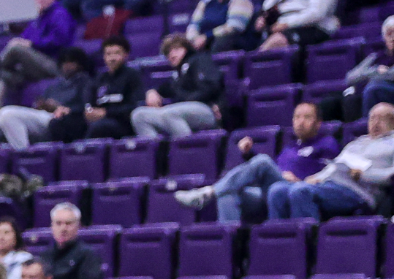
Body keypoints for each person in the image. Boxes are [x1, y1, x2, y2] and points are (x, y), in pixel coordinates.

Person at [175, 102, 341, 222]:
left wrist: (301, 181)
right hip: (271, 191)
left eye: (307, 117)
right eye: (297, 117)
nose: (300, 121)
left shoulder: (327, 144)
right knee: (226, 193)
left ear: (318, 123)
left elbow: (331, 177)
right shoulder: (289, 147)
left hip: (296, 190)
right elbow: (273, 171)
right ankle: (231, 248)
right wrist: (249, 154)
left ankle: (207, 193)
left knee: (262, 161)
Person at [268, 101, 394, 220]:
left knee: (301, 191)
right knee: (277, 190)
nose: (376, 122)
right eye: (372, 118)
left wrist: (363, 175)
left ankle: (304, 240)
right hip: (331, 185)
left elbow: (391, 175)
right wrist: (316, 177)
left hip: (359, 192)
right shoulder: (356, 143)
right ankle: (278, 240)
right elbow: (335, 165)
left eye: (382, 118)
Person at [0, 46, 94, 149]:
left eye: (71, 62)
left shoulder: (85, 83)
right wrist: (43, 105)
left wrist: (66, 109)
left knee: (8, 113)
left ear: (80, 64)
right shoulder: (56, 84)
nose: (67, 65)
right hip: (43, 116)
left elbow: (87, 107)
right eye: (65, 62)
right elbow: (40, 104)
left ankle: (24, 158)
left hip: (61, 120)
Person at [130, 34, 224, 139]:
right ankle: (157, 151)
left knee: (169, 113)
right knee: (139, 115)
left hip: (207, 109)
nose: (172, 54)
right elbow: (166, 89)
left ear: (187, 48)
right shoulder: (177, 75)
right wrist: (152, 91)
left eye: (176, 49)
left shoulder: (200, 60)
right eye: (168, 52)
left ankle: (186, 150)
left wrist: (188, 100)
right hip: (180, 112)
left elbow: (212, 86)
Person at [0, 0, 79, 98]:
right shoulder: (38, 20)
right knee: (0, 73)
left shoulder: (60, 14)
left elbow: (58, 41)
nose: (40, 0)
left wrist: (32, 44)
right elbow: (24, 38)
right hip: (36, 63)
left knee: (15, 48)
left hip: (55, 62)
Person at [40, 203, 101, 279]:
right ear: (52, 227)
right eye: (58, 223)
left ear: (78, 226)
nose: (63, 228)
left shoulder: (87, 255)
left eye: (68, 224)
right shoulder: (45, 256)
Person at [83, 36, 144, 139]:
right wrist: (89, 112)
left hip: (123, 124)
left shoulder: (133, 76)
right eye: (108, 54)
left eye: (117, 53)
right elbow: (90, 103)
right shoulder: (99, 79)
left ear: (126, 55)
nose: (112, 58)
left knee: (99, 127)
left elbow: (135, 106)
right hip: (99, 123)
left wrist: (106, 113)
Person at [187, 0, 256, 52]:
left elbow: (234, 27)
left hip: (231, 42)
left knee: (221, 41)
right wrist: (194, 39)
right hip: (204, 41)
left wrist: (206, 37)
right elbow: (193, 25)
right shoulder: (206, 1)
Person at [339, 15, 394, 119]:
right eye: (389, 33)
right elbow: (350, 77)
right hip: (372, 89)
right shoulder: (375, 56)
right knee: (334, 101)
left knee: (373, 88)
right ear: (384, 36)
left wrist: (373, 76)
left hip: (388, 91)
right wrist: (375, 71)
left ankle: (368, 127)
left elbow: (392, 75)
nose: (393, 37)